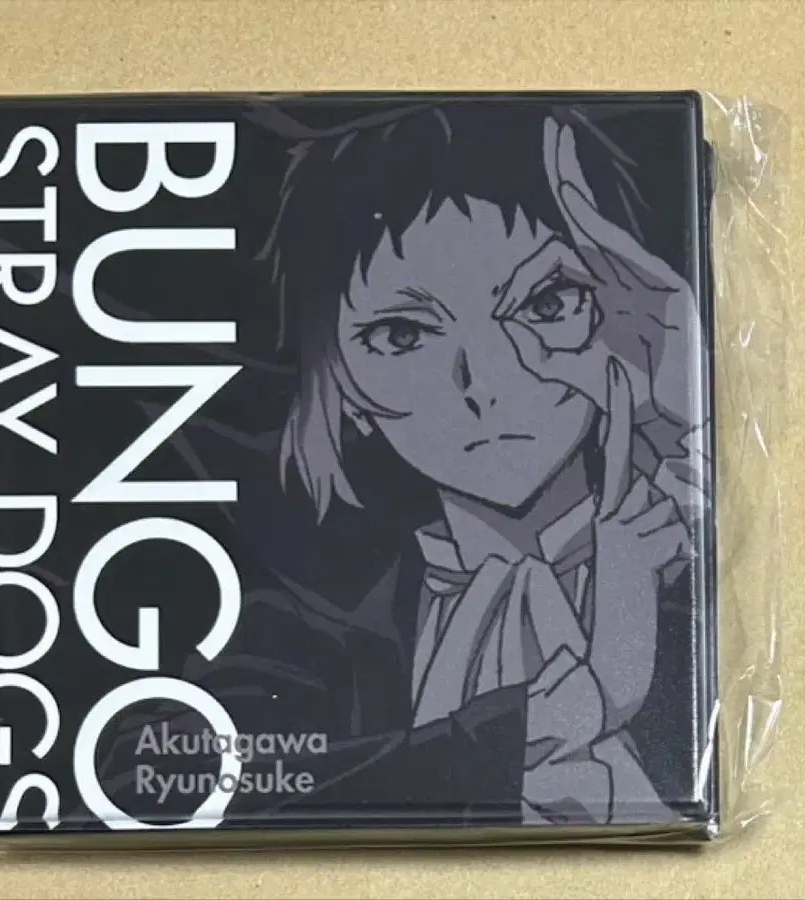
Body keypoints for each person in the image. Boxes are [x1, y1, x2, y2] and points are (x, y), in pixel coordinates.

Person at [94, 100, 710, 831]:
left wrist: (696, 420)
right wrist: (562, 710)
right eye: (403, 335)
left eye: (547, 304)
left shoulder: (700, 564)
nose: (485, 381)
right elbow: (141, 781)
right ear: (341, 384)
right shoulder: (320, 620)